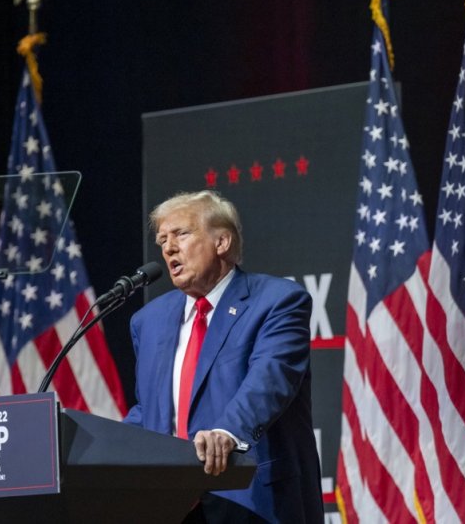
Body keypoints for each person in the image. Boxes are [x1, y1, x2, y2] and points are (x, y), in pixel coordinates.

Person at [124, 190, 324, 523]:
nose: (168, 248)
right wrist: (93, 448)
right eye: (162, 240)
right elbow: (150, 410)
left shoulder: (278, 301)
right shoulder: (148, 321)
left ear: (222, 242)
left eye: (181, 234)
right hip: (171, 506)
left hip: (252, 499)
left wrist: (227, 433)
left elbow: (269, 381)